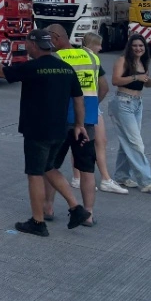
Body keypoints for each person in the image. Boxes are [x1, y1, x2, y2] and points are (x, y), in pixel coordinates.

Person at [0, 29, 90, 236]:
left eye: (27, 43)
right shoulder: (66, 69)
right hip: (60, 130)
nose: (27, 47)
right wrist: (79, 125)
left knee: (35, 173)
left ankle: (38, 222)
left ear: (34, 45)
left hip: (37, 130)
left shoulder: (32, 67)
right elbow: (78, 99)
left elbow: (1, 72)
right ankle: (76, 208)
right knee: (49, 168)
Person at [42, 26, 111, 227]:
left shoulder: (55, 58)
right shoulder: (91, 57)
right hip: (86, 123)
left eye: (48, 39)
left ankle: (48, 207)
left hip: (60, 122)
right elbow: (104, 87)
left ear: (55, 38)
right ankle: (88, 214)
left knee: (51, 165)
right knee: (87, 168)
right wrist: (91, 108)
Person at [109, 34, 151, 193]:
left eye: (141, 46)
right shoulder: (123, 60)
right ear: (130, 47)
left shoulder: (143, 62)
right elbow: (115, 80)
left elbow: (146, 83)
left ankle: (121, 176)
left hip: (137, 104)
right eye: (135, 45)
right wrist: (136, 76)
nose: (138, 48)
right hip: (123, 103)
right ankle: (147, 182)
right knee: (136, 143)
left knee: (127, 142)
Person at [70, 33, 127, 196]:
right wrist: (94, 104)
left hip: (82, 103)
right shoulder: (92, 59)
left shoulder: (74, 56)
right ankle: (101, 179)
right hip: (89, 103)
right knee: (91, 141)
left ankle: (82, 177)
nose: (101, 48)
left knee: (84, 141)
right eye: (99, 45)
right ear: (91, 44)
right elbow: (104, 87)